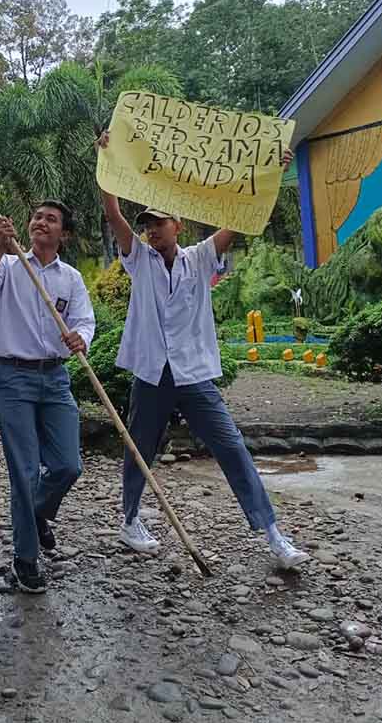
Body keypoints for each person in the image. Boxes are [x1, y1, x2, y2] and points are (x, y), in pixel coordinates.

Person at [98, 133, 310, 570]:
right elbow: (112, 212)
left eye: (159, 222)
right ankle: (131, 519)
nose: (151, 229)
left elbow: (242, 215)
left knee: (231, 446)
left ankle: (271, 532)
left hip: (194, 372)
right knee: (140, 445)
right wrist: (108, 161)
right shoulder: (138, 257)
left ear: (178, 224)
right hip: (152, 372)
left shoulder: (200, 257)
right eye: (148, 224)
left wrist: (272, 171)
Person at [0, 202, 95, 594]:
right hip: (13, 378)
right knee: (23, 472)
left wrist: (80, 338)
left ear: (64, 234)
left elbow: (85, 320)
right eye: (37, 217)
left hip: (55, 378)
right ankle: (25, 558)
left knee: (68, 466)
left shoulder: (70, 278)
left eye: (51, 219)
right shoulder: (8, 266)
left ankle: (38, 514)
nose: (41, 222)